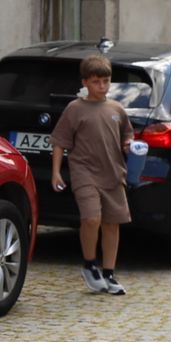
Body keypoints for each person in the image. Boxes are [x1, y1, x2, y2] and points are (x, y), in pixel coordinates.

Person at [50, 54, 134, 295]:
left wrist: (129, 145)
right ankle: (89, 264)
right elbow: (59, 142)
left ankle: (109, 272)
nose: (102, 86)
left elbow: (127, 134)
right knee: (91, 219)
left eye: (106, 81)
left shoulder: (117, 109)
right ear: (85, 82)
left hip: (113, 173)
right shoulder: (75, 109)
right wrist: (56, 172)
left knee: (112, 223)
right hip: (84, 172)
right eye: (96, 81)